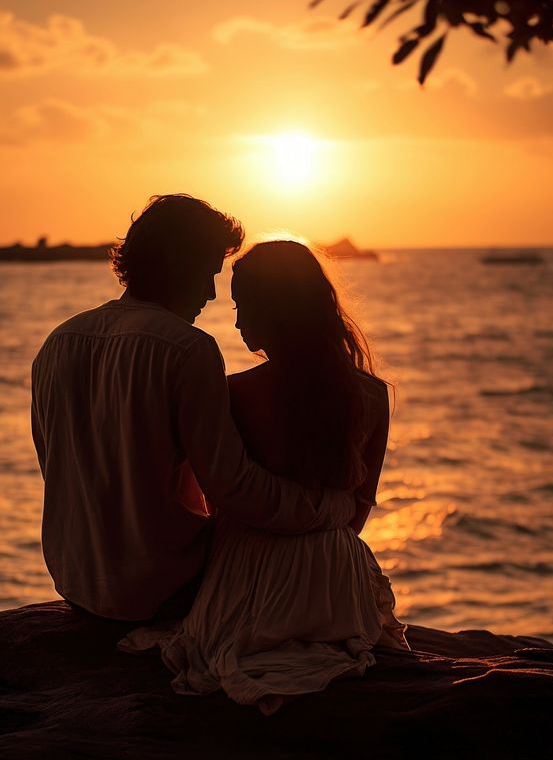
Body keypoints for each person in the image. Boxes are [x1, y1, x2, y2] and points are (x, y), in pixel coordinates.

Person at [117, 240, 412, 715]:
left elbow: (221, 498)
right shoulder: (372, 395)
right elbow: (358, 511)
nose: (236, 322)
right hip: (333, 573)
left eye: (243, 306)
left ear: (275, 310)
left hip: (248, 566)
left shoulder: (233, 393)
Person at [30, 197, 356, 624]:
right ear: (176, 265)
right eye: (207, 275)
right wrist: (329, 509)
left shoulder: (58, 342)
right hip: (162, 590)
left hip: (76, 584)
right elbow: (233, 488)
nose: (211, 294)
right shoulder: (187, 349)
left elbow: (53, 465)